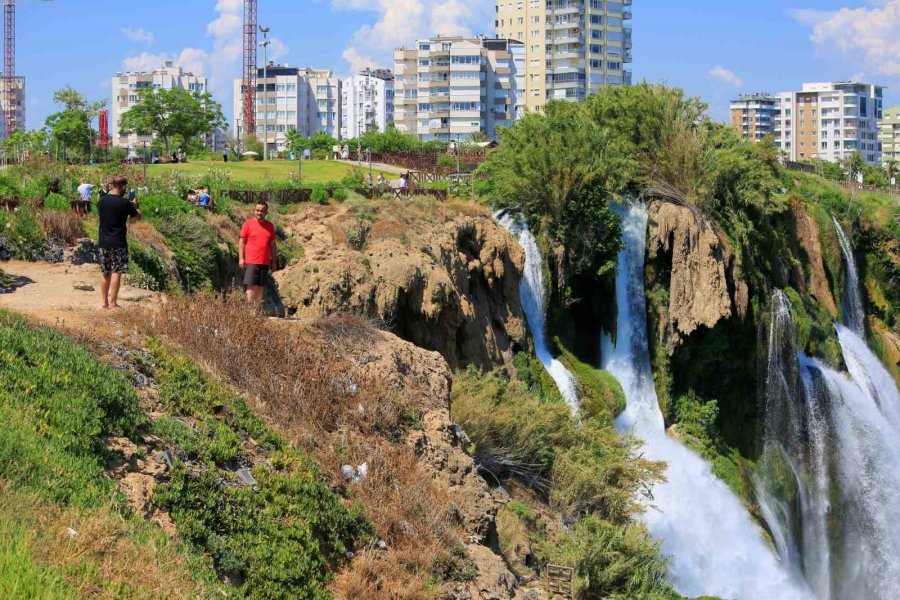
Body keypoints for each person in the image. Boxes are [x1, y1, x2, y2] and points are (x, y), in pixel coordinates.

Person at [97, 175, 141, 309]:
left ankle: (104, 302)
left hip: (103, 241)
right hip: (118, 242)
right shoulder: (125, 203)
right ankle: (113, 303)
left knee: (105, 272)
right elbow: (137, 216)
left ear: (112, 185)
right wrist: (135, 205)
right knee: (116, 271)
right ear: (123, 186)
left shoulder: (101, 201)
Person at [239, 202, 277, 312]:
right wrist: (241, 258)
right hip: (251, 261)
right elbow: (242, 241)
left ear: (266, 212)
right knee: (251, 286)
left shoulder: (270, 226)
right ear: (254, 211)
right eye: (257, 210)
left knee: (260, 287)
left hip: (265, 261)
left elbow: (273, 245)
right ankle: (250, 312)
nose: (259, 213)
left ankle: (255, 312)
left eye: (262, 211)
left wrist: (274, 261)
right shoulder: (248, 223)